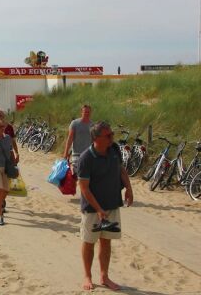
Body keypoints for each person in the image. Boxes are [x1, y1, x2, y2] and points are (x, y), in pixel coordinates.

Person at [77, 121, 133, 291]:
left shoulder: (114, 149)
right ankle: (87, 276)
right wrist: (99, 209)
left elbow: (121, 170)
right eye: (108, 135)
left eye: (112, 134)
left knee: (106, 241)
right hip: (93, 209)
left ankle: (104, 276)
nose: (112, 138)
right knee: (89, 242)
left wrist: (129, 189)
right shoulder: (86, 158)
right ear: (96, 138)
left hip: (112, 205)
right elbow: (84, 188)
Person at [63, 104, 93, 173]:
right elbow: (70, 139)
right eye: (85, 112)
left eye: (88, 112)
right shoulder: (75, 123)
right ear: (81, 112)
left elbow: (93, 141)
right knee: (77, 173)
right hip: (76, 154)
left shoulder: (92, 125)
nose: (87, 113)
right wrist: (66, 153)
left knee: (86, 174)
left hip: (88, 154)